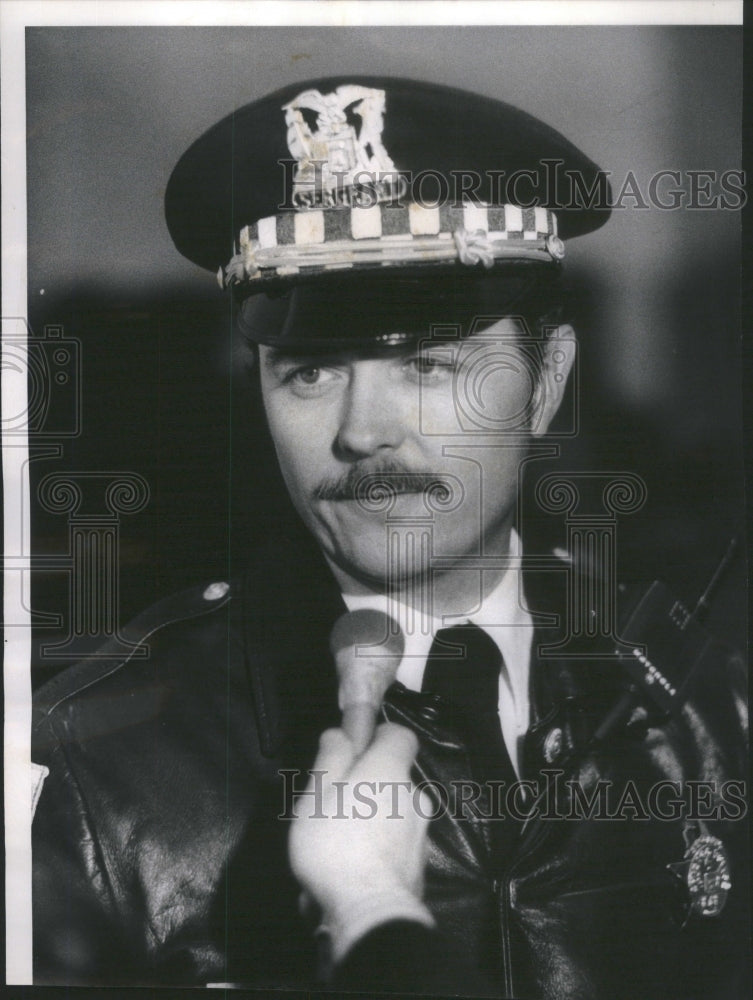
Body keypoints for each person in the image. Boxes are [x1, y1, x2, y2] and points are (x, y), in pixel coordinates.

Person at [31, 76, 748, 996]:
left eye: (426, 362)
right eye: (310, 371)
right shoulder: (91, 763)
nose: (363, 431)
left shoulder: (699, 701)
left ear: (545, 384)